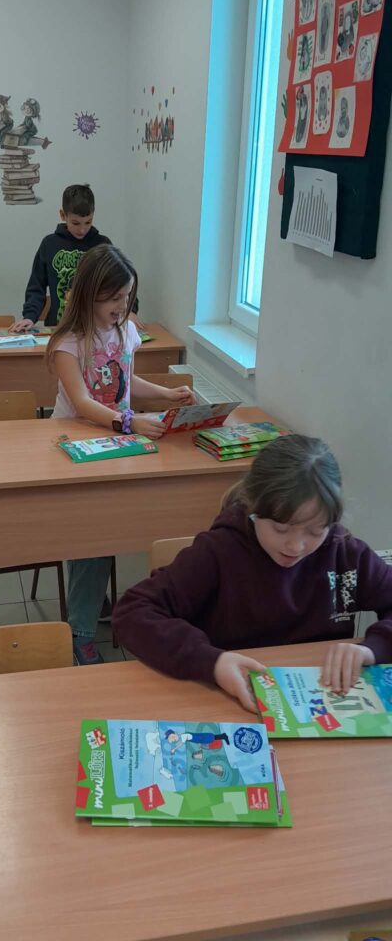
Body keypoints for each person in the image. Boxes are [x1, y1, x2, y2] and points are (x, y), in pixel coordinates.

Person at [112, 435, 392, 709]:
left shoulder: (345, 553)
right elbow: (133, 611)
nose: (295, 546)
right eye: (280, 528)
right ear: (254, 510)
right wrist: (212, 661)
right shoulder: (219, 551)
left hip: (320, 698)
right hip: (229, 698)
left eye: (315, 531)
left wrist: (373, 648)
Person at [46, 244, 194, 665]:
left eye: (126, 296)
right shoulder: (69, 343)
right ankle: (79, 631)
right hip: (76, 442)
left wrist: (166, 393)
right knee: (92, 534)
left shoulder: (126, 330)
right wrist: (128, 421)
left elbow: (127, 380)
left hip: (118, 442)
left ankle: (100, 604)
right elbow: (82, 401)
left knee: (133, 520)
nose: (121, 306)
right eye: (112, 298)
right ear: (88, 295)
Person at [12, 184, 138, 331]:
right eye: (75, 223)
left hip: (95, 328)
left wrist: (130, 311)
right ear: (63, 215)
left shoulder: (102, 244)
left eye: (88, 222)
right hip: (59, 327)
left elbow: (123, 282)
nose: (82, 229)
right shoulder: (49, 244)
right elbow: (36, 286)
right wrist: (29, 316)